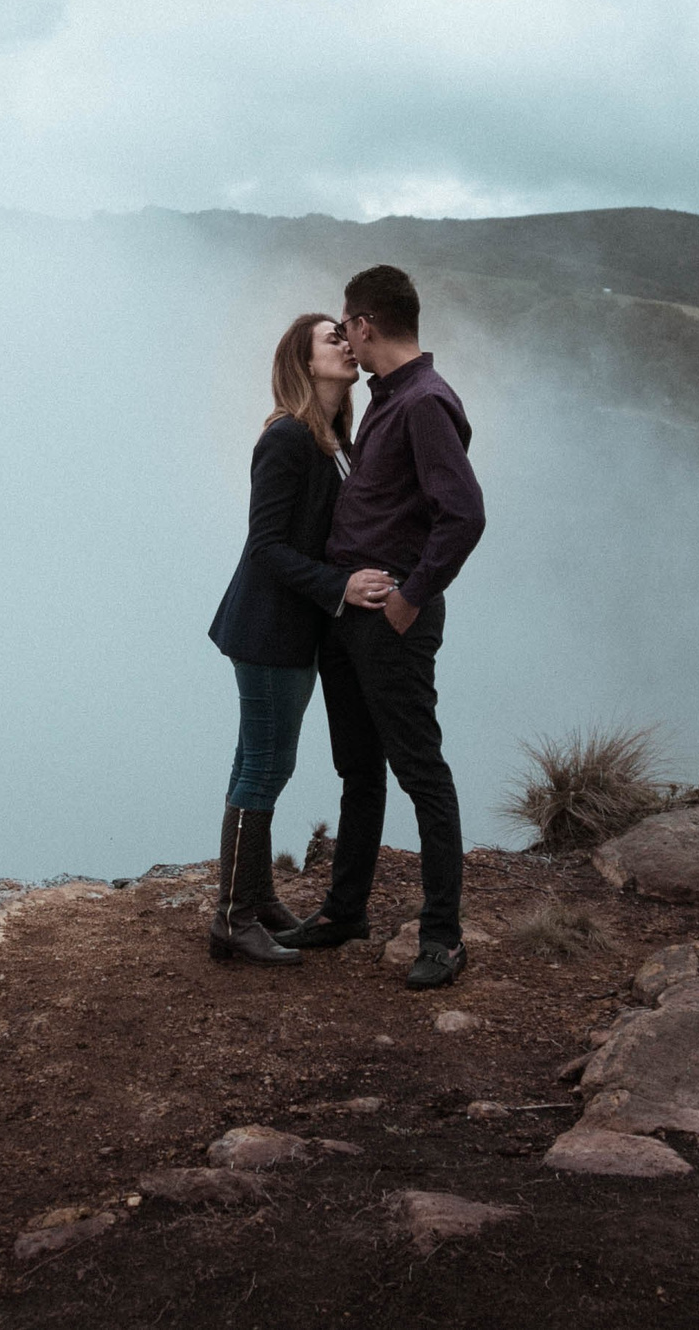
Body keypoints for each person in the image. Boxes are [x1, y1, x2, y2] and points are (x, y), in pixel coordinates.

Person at [276, 266, 486, 990]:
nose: (347, 341)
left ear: (366, 324)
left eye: (347, 326)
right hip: (351, 616)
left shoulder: (424, 402)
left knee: (420, 771)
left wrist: (408, 600)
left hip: (392, 622)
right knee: (358, 771)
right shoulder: (389, 399)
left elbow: (464, 514)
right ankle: (345, 911)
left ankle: (443, 935)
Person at [203, 313, 395, 965]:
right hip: (266, 627)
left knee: (265, 760)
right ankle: (232, 919)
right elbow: (267, 548)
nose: (346, 344)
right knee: (263, 763)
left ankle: (253, 899)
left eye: (347, 335)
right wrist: (341, 587)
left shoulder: (335, 441)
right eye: (330, 339)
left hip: (292, 629)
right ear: (304, 363)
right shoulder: (285, 438)